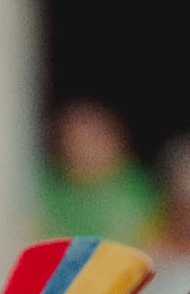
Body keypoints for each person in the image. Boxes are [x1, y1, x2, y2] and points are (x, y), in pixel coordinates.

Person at [38, 99, 164, 248]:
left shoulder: (142, 189)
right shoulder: (48, 191)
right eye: (75, 138)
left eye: (94, 137)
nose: (83, 148)